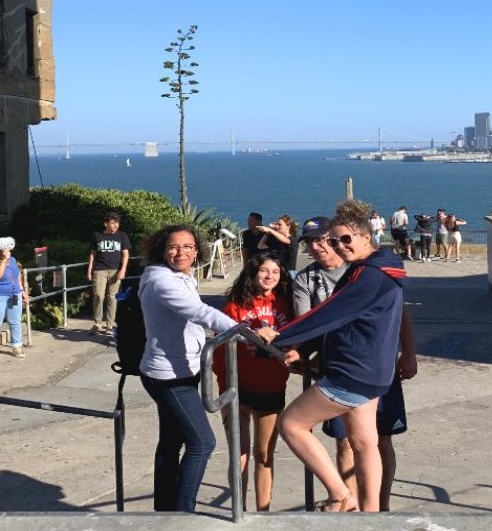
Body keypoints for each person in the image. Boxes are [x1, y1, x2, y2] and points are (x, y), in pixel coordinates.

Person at [273, 203, 406, 513]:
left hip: (353, 371)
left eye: (346, 239)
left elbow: (330, 312)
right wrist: (301, 346)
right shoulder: (377, 269)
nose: (339, 246)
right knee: (364, 443)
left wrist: (280, 337)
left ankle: (341, 495)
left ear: (366, 236)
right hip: (374, 372)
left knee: (291, 424)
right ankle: (370, 514)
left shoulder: (370, 275)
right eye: (334, 241)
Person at [138, 224, 276, 512]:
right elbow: (200, 312)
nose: (181, 253)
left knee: (171, 442)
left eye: (188, 247)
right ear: (162, 250)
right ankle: (183, 513)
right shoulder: (162, 282)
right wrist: (247, 331)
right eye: (174, 247)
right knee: (202, 443)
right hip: (169, 376)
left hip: (182, 370)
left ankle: (164, 511)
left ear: (197, 250)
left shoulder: (181, 277)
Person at [210, 253, 292, 511]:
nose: (269, 276)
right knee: (240, 453)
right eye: (264, 271)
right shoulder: (235, 305)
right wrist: (225, 386)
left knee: (265, 454)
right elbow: (220, 348)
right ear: (253, 272)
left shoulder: (285, 302)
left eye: (275, 272)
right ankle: (240, 510)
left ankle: (263, 512)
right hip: (238, 386)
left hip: (272, 386)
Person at [87, 212, 131, 337]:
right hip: (99, 270)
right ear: (106, 224)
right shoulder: (97, 236)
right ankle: (97, 323)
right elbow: (93, 254)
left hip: (115, 270)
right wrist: (89, 269)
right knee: (98, 296)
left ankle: (110, 325)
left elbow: (125, 254)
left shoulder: (122, 236)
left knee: (112, 298)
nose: (115, 225)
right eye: (112, 223)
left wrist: (123, 270)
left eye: (117, 223)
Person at [0, 236, 25, 359]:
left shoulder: (13, 260)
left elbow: (17, 276)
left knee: (15, 321)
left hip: (14, 294)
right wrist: (3, 261)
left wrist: (22, 291)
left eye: (3, 250)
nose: (1, 252)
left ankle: (17, 346)